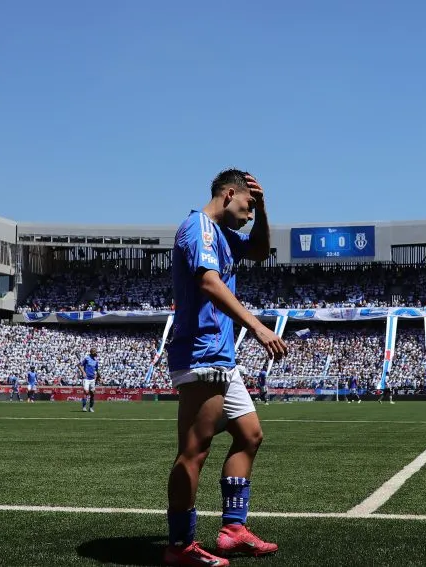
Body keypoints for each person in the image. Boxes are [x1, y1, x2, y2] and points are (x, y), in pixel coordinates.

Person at [164, 169, 288, 567]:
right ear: (228, 193)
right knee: (194, 451)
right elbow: (208, 283)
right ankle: (180, 547)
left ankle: (233, 530)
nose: (249, 215)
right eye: (248, 206)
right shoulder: (197, 228)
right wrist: (255, 325)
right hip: (201, 354)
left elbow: (260, 251)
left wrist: (264, 207)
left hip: (220, 357)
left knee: (249, 435)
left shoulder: (224, 235)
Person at [79, 348, 100, 413]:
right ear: (92, 352)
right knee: (86, 392)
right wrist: (83, 372)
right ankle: (84, 407)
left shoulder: (96, 361)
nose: (96, 353)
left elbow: (97, 370)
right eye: (95, 352)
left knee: (92, 393)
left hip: (92, 379)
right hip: (86, 378)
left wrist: (99, 377)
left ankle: (90, 408)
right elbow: (79, 365)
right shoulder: (87, 358)